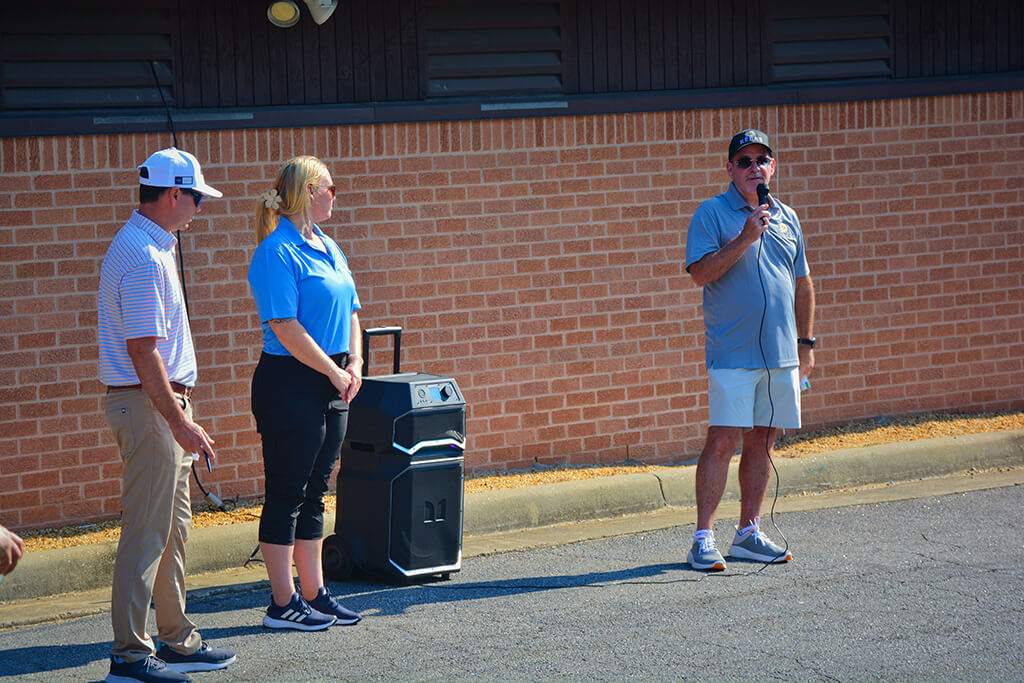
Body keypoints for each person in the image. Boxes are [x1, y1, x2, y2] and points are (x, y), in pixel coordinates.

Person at [98, 148, 236, 682]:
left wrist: (178, 413)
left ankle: (176, 638)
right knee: (148, 531)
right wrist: (178, 419)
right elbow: (142, 350)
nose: (200, 207)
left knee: (173, 527)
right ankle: (131, 656)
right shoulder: (142, 255)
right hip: (150, 403)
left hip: (157, 402)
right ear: (174, 193)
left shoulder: (151, 246)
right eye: (196, 196)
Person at [684, 129, 816, 571]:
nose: (754, 167)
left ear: (772, 168)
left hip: (780, 354)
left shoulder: (788, 217)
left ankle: (747, 533)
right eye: (744, 161)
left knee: (763, 439)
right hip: (733, 351)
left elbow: (802, 283)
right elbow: (700, 274)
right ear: (730, 170)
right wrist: (744, 237)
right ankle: (703, 538)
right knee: (723, 439)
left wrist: (807, 344)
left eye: (762, 159)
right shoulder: (712, 214)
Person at [248, 156, 363, 631]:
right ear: (309, 192)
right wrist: (333, 374)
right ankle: (282, 603)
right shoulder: (276, 252)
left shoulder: (329, 245)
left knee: (316, 491)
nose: (336, 195)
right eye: (331, 188)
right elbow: (285, 326)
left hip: (334, 378)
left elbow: (354, 310)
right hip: (290, 382)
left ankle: (314, 594)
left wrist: (353, 363)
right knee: (286, 493)